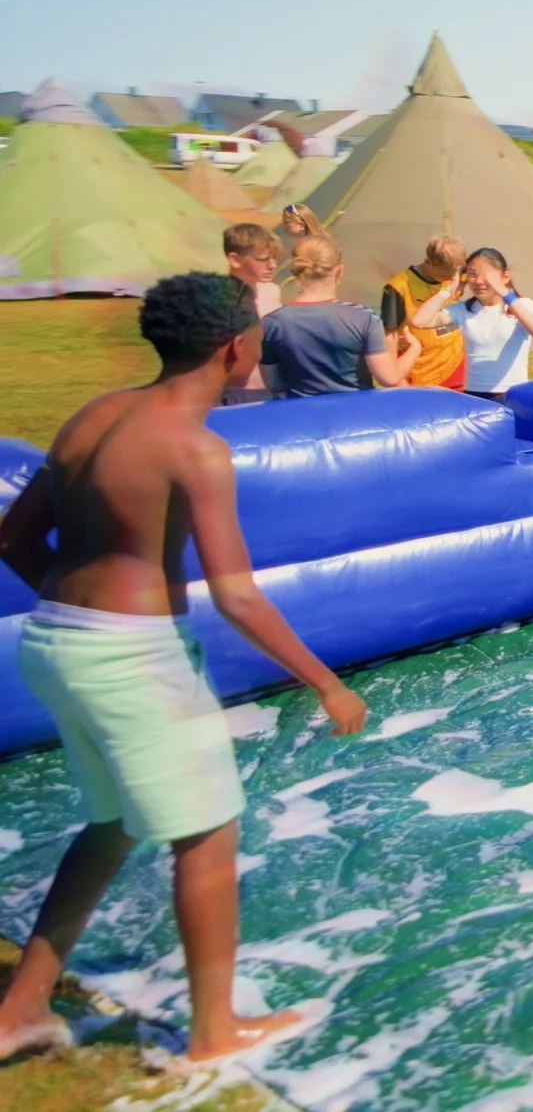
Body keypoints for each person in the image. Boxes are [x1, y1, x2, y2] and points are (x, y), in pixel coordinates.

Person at [0, 273, 368, 1070]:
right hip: (133, 656)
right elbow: (235, 595)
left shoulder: (89, 415)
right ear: (236, 348)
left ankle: (20, 1009)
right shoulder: (194, 447)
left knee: (113, 825)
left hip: (57, 639)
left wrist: (80, 619)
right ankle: (212, 1032)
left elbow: (15, 541)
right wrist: (326, 682)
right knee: (205, 837)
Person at [260, 235, 419, 397]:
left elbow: (274, 384)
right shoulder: (363, 318)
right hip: (353, 417)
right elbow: (389, 378)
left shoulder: (271, 323)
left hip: (302, 418)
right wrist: (415, 348)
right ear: (339, 270)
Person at [408, 248, 533, 400]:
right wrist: (448, 290)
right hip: (475, 396)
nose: (479, 281)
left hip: (513, 394)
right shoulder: (463, 310)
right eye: (472, 274)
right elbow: (418, 321)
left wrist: (503, 291)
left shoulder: (522, 305)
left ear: (505, 276)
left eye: (487, 275)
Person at [379, 235, 468, 392]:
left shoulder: (455, 277)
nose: (451, 279)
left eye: (454, 274)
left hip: (456, 368)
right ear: (429, 262)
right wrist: (397, 380)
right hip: (420, 377)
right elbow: (389, 334)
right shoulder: (398, 287)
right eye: (445, 275)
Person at [221, 224, 283, 404]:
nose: (273, 265)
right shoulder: (220, 299)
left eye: (274, 258)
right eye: (264, 259)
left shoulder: (272, 291)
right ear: (235, 259)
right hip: (236, 394)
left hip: (274, 391)